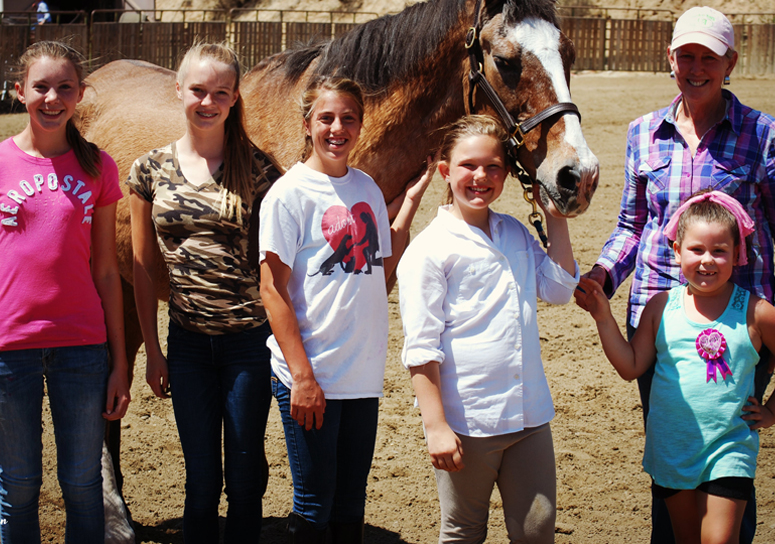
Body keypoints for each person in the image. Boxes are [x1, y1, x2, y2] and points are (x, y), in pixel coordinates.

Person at [574, 6, 775, 544]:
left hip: (740, 324)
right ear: (671, 59)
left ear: (730, 62)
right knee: (673, 450)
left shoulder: (763, 134)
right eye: (686, 55)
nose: (696, 67)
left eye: (708, 57)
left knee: (732, 452)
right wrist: (602, 277)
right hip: (659, 321)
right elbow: (631, 226)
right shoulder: (644, 133)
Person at [259, 76, 434, 543]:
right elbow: (272, 290)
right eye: (326, 118)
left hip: (361, 374)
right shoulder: (288, 194)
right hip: (312, 372)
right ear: (307, 125)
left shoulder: (368, 189)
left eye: (348, 119)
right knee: (314, 506)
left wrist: (409, 205)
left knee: (350, 504)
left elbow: (378, 276)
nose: (338, 128)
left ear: (360, 126)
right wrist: (302, 377)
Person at [398, 114, 579, 544]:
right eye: (468, 166)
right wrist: (436, 427)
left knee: (537, 531)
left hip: (530, 416)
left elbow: (556, 288)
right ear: (446, 171)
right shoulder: (428, 251)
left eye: (493, 166)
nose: (481, 176)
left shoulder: (514, 231)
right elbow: (421, 348)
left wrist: (554, 216)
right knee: (463, 532)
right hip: (468, 422)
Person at [127, 43, 281, 544]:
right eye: (198, 90)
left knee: (243, 477)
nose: (207, 101)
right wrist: (153, 349)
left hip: (248, 345)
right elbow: (144, 266)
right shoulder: (148, 170)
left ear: (235, 98)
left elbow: (277, 267)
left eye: (220, 92)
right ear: (179, 90)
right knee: (200, 482)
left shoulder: (260, 171)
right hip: (187, 344)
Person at [580, 190, 775, 544]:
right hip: (672, 449)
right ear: (676, 251)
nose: (707, 261)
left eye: (719, 251)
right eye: (696, 250)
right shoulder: (660, 307)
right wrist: (603, 318)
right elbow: (631, 365)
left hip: (728, 448)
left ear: (738, 255)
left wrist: (772, 410)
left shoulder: (756, 311)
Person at [0, 41, 130, 543]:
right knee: (18, 486)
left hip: (82, 350)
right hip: (10, 352)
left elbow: (105, 271)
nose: (52, 98)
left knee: (82, 485)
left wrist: (119, 360)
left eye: (65, 87)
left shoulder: (98, 167)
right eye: (40, 87)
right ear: (19, 92)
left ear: (80, 95)